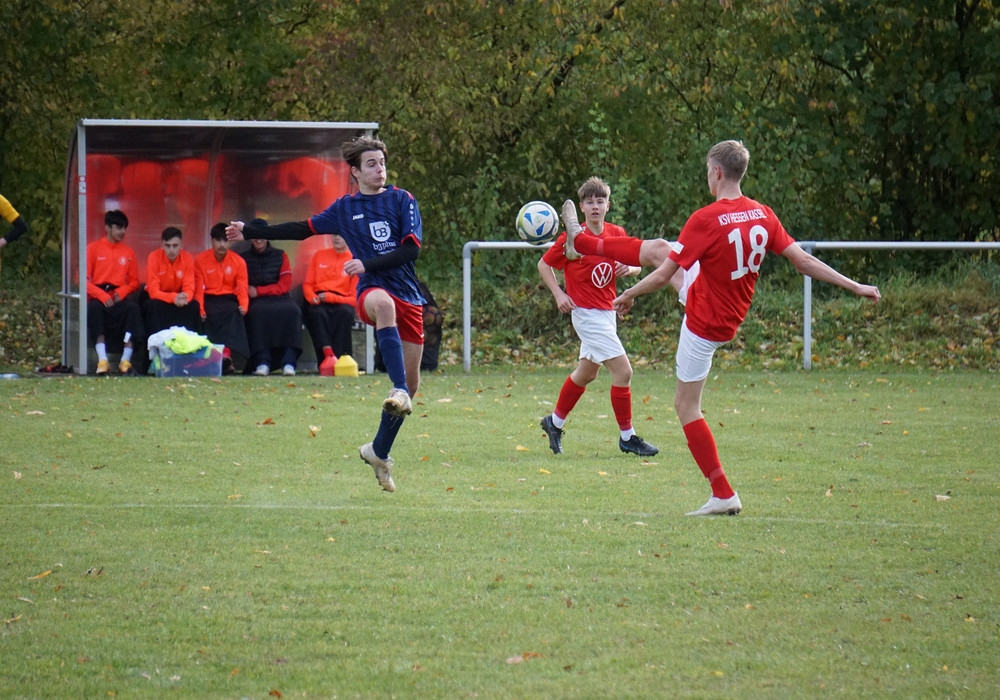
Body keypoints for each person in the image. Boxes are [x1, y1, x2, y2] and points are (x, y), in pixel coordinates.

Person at [563, 140, 881, 516]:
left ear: (716, 172)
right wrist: (854, 285)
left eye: (706, 172)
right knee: (662, 248)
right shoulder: (762, 213)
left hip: (705, 321)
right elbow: (804, 262)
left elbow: (663, 276)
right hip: (725, 307)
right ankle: (582, 241)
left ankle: (723, 493)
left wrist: (629, 293)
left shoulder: (706, 219)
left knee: (685, 405)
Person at [226, 136, 424, 493]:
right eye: (371, 164)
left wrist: (366, 262)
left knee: (413, 386)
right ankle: (396, 388)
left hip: (409, 296)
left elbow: (411, 252)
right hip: (372, 290)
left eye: (382, 162)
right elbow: (302, 229)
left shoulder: (402, 200)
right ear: (355, 172)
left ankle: (378, 452)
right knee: (384, 309)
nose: (379, 169)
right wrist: (251, 230)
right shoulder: (345, 209)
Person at [537, 176, 660, 458]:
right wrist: (559, 294)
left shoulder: (616, 233)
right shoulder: (573, 238)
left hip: (607, 313)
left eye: (600, 201)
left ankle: (554, 423)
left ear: (608, 205)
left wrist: (629, 269)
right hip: (585, 314)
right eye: (589, 202)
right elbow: (544, 264)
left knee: (586, 373)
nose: (595, 206)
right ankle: (628, 437)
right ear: (581, 207)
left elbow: (637, 263)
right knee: (624, 372)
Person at [239, 219, 303, 376]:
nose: (258, 238)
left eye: (261, 234)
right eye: (254, 234)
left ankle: (289, 362)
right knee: (257, 313)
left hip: (280, 297)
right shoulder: (243, 258)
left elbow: (285, 285)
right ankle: (263, 362)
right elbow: (241, 283)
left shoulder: (281, 255)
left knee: (293, 311)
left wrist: (259, 291)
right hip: (255, 301)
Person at [86, 210, 143, 375]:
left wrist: (123, 291)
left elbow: (134, 281)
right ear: (107, 228)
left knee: (133, 310)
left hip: (119, 297)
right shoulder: (93, 249)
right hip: (99, 296)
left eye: (124, 228)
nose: (122, 232)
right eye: (118, 227)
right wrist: (101, 295)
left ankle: (125, 360)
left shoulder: (128, 252)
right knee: (94, 310)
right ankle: (102, 360)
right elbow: (81, 279)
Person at [195, 223, 250, 374]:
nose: (222, 245)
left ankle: (226, 355)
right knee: (207, 315)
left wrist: (243, 305)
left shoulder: (239, 262)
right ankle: (211, 358)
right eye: (218, 240)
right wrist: (200, 309)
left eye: (225, 241)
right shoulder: (200, 260)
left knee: (232, 311)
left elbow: (242, 288)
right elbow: (198, 290)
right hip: (208, 298)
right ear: (212, 241)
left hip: (229, 299)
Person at [301, 234, 358, 368]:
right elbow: (307, 284)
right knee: (316, 314)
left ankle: (338, 360)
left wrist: (331, 298)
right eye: (334, 235)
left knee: (345, 313)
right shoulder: (319, 255)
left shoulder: (354, 260)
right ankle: (326, 355)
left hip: (342, 300)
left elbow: (354, 299)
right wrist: (312, 297)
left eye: (341, 235)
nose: (336, 238)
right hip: (319, 298)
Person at [144, 226, 201, 336]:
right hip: (159, 297)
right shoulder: (153, 257)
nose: (171, 250)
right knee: (151, 306)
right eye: (167, 246)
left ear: (181, 246)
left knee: (194, 306)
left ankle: (192, 343)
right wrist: (173, 298)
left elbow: (189, 288)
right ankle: (155, 344)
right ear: (162, 245)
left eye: (175, 246)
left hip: (179, 297)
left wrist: (184, 298)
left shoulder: (187, 258)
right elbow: (153, 292)